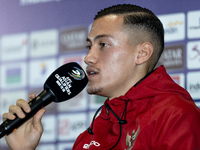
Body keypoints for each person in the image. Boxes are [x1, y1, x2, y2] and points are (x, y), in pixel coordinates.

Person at [2, 4, 200, 150]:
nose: (88, 58)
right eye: (89, 47)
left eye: (103, 45)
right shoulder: (98, 125)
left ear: (141, 53)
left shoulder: (176, 116)